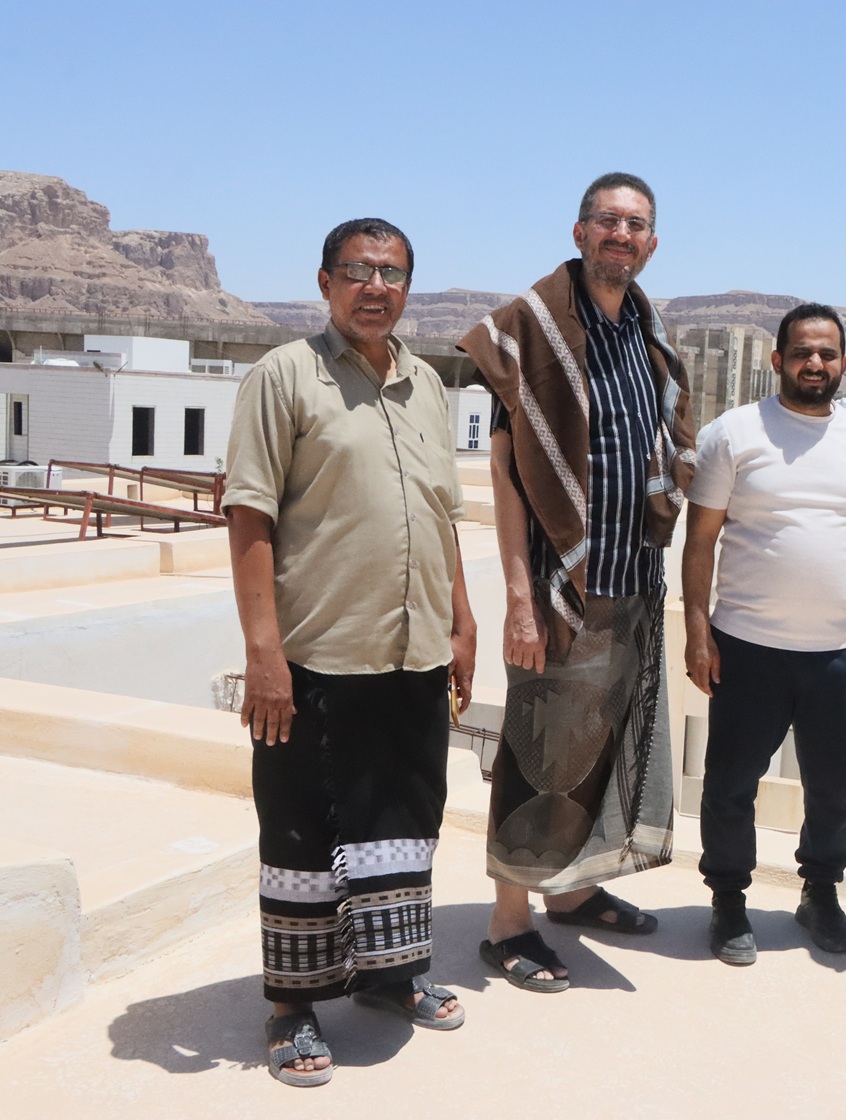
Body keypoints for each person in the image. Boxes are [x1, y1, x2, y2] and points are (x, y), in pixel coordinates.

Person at [224, 218, 475, 1087]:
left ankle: (392, 976)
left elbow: (443, 514)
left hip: (414, 653)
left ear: (409, 287)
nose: (377, 287)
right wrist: (264, 654)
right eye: (359, 271)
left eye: (393, 273)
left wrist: (462, 622)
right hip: (316, 657)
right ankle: (292, 1006)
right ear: (325, 282)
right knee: (303, 829)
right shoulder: (283, 376)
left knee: (402, 818)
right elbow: (249, 516)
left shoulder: (428, 383)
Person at [457, 172, 695, 992]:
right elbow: (506, 472)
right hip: (560, 587)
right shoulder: (529, 329)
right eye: (607, 220)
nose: (620, 235)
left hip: (632, 580)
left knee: (597, 747)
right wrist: (520, 600)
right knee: (539, 751)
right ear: (579, 231)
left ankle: (572, 890)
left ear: (651, 243)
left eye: (635, 224)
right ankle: (508, 920)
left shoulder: (646, 332)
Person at [682, 303, 846, 965]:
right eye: (802, 352)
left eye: (827, 353)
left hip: (840, 654)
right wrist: (696, 630)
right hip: (748, 647)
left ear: (844, 363)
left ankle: (820, 893)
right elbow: (700, 540)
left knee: (834, 789)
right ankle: (728, 900)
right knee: (730, 783)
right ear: (778, 360)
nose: (814, 364)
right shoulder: (734, 433)